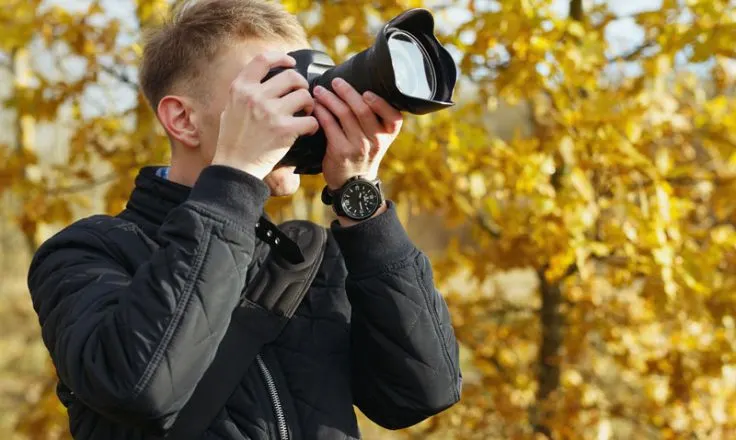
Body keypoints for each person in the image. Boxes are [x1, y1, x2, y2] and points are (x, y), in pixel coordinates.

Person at [26, 0, 462, 439]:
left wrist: (359, 198)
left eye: (307, 87)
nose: (301, 111)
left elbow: (420, 392)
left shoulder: (310, 258)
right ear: (183, 119)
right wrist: (235, 179)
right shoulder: (85, 251)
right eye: (270, 91)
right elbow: (140, 388)